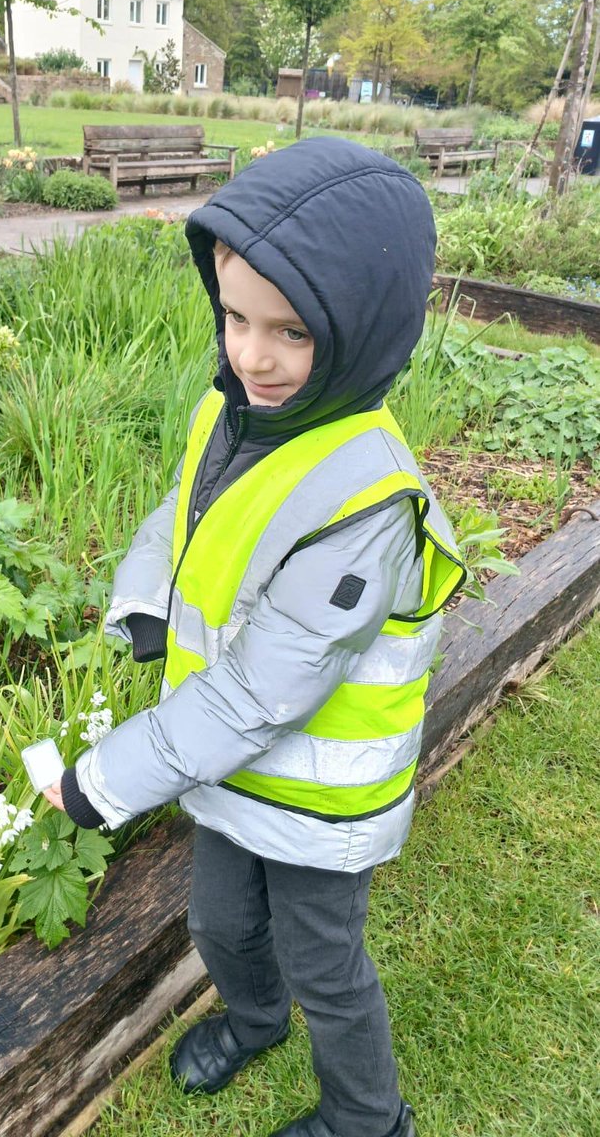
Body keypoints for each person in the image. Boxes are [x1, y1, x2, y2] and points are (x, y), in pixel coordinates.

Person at [42, 136, 466, 1137]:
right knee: (220, 924)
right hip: (229, 772)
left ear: (362, 333)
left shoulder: (365, 507)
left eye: (291, 332)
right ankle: (255, 1017)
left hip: (317, 797)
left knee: (326, 959)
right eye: (235, 316)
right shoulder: (236, 414)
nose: (251, 354)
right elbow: (181, 518)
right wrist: (148, 601)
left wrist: (101, 784)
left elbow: (259, 692)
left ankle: (369, 1115)